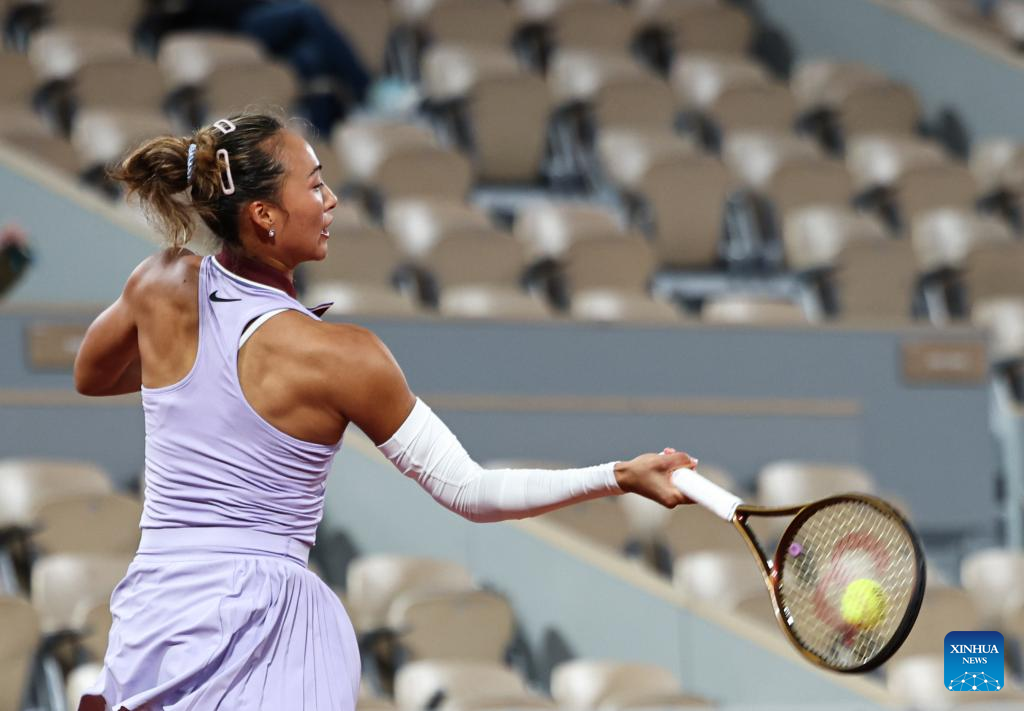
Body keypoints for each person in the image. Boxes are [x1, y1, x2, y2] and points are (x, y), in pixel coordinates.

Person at [73, 111, 698, 711]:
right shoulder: (343, 357)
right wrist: (618, 475)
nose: (331, 200)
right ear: (264, 215)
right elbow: (470, 491)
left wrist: (197, 382)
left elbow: (91, 375)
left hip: (156, 612)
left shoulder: (158, 283)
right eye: (314, 185)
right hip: (261, 629)